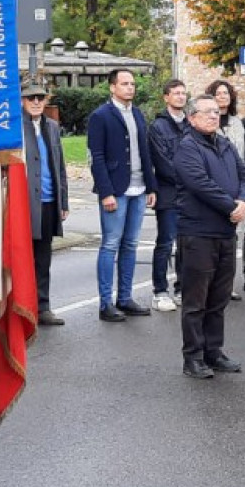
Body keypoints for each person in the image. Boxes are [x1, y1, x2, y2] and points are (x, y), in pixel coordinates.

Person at [171, 95, 245, 378]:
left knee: (219, 299)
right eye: (207, 112)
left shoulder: (225, 144)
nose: (214, 116)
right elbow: (200, 184)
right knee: (196, 302)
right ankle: (193, 357)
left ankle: (213, 352)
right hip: (198, 234)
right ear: (192, 118)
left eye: (216, 112)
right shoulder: (187, 148)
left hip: (225, 233)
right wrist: (232, 207)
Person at [88, 68, 158, 322]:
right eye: (125, 83)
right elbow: (96, 157)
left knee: (130, 245)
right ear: (112, 87)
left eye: (132, 84)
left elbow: (145, 151)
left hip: (139, 189)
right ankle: (105, 303)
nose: (130, 88)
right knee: (110, 244)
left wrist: (151, 186)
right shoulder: (100, 116)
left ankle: (125, 298)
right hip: (115, 191)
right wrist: (106, 192)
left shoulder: (137, 113)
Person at [20, 79, 70, 326]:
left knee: (43, 258)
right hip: (24, 203)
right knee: (22, 257)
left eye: (40, 97)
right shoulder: (14, 127)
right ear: (22, 100)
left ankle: (42, 306)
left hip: (49, 201)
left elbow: (59, 165)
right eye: (31, 98)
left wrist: (63, 201)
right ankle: (22, 308)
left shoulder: (51, 126)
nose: (36, 102)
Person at [208, 79, 245, 297]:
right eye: (218, 93)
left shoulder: (237, 123)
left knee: (234, 238)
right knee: (215, 239)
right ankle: (213, 284)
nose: (223, 97)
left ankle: (227, 285)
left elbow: (243, 155)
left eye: (226, 93)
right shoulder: (208, 123)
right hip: (215, 187)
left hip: (236, 186)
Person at [147, 79, 190, 312]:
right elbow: (163, 163)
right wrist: (190, 179)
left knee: (186, 244)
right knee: (165, 243)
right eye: (176, 93)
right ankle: (160, 291)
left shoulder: (191, 124)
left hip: (190, 196)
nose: (181, 97)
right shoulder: (158, 127)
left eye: (183, 93)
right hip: (169, 194)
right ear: (166, 97)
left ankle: (182, 288)